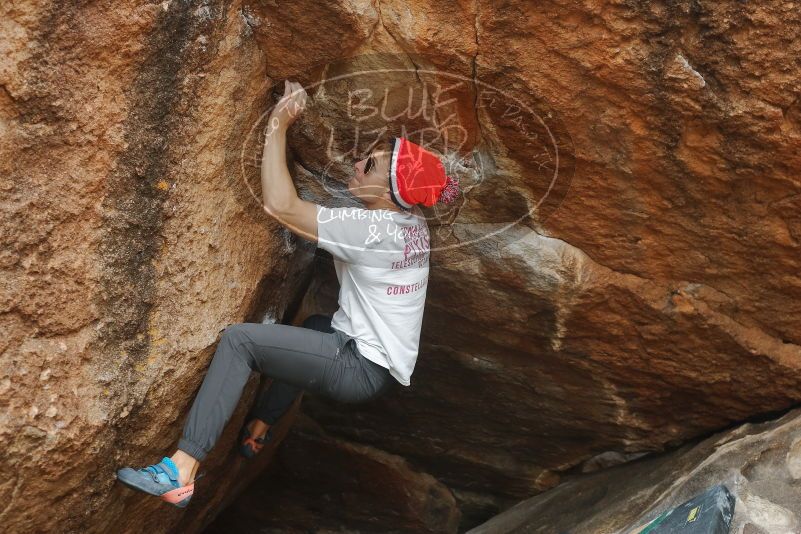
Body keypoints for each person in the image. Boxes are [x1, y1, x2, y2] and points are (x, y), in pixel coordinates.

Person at [115, 80, 461, 508]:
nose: (356, 164)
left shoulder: (375, 231)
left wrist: (277, 125)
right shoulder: (412, 226)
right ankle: (262, 424)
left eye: (368, 166)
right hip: (375, 369)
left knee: (240, 342)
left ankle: (180, 471)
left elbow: (281, 206)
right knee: (315, 325)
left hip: (357, 366)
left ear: (390, 193)